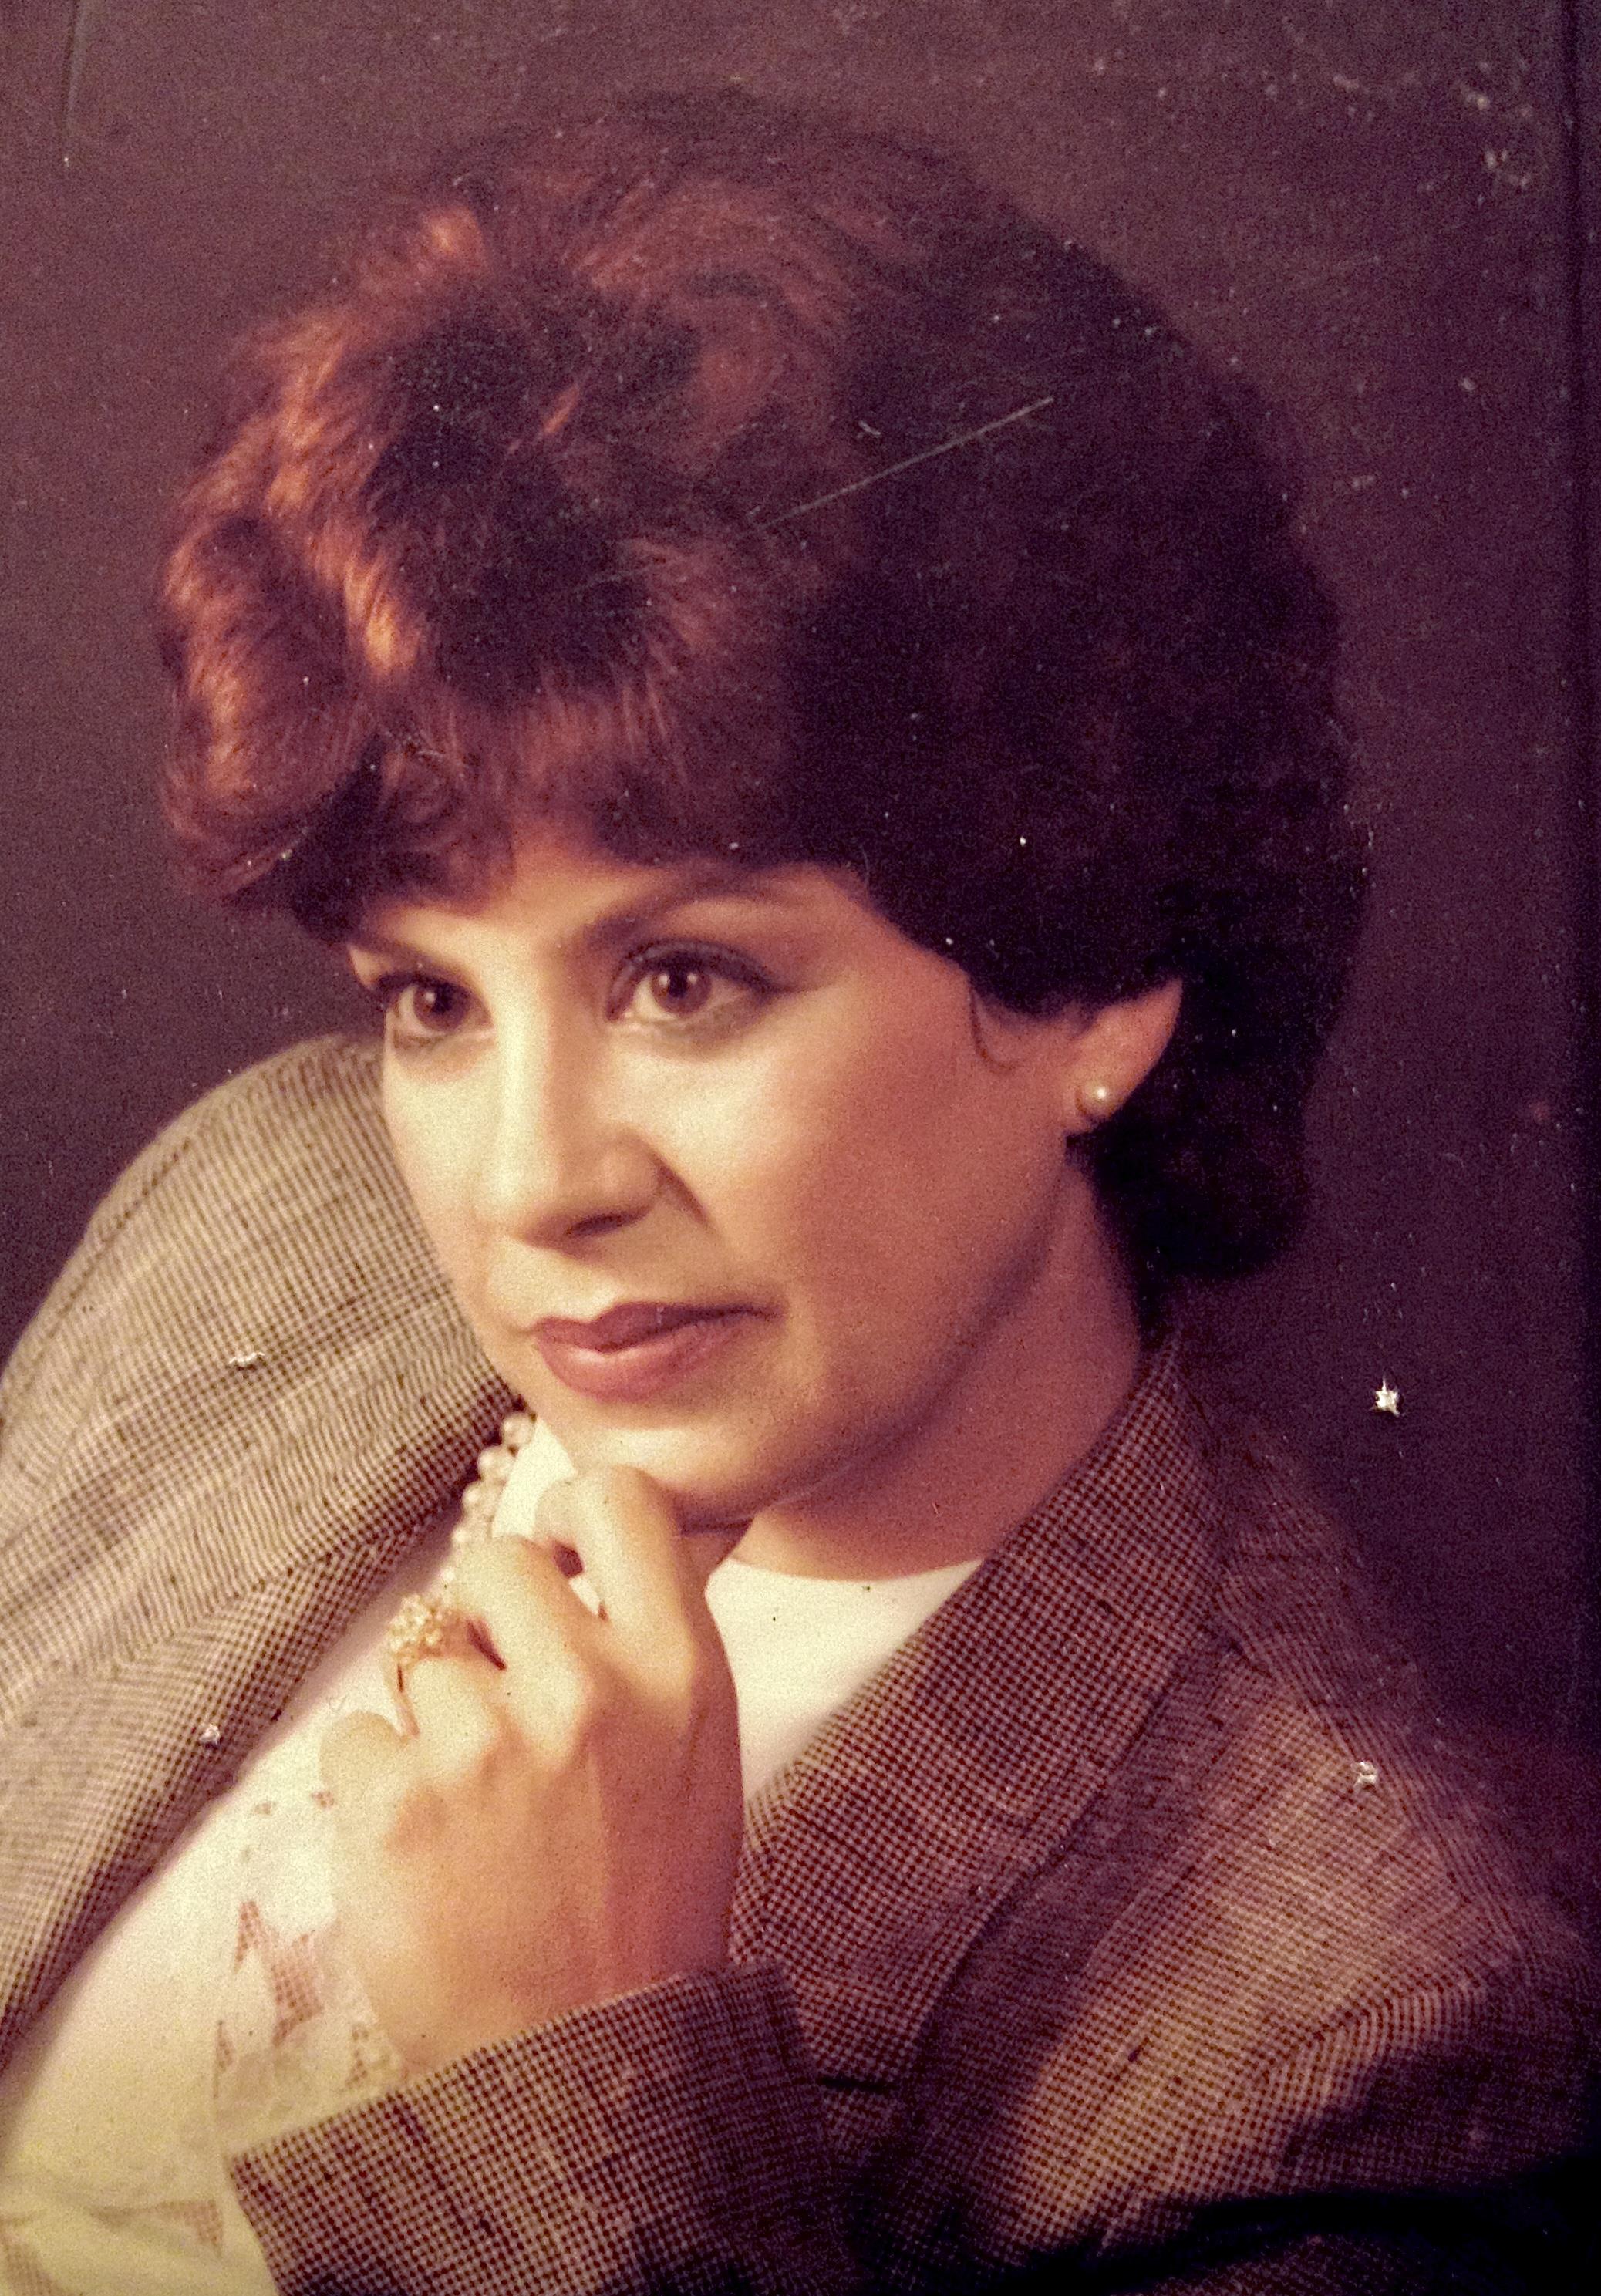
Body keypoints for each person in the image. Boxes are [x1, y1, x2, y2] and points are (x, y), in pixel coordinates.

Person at [0, 87, 1591, 2296]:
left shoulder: (1350, 2052)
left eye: (683, 978)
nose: (530, 1184)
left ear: (1094, 968)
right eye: (431, 1003)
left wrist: (576, 2078)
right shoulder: (257, 1210)